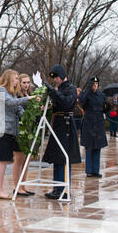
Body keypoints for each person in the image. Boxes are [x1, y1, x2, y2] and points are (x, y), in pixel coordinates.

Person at [0, 69, 38, 199]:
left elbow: (19, 110)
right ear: (9, 78)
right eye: (16, 78)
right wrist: (28, 99)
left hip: (11, 131)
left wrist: (32, 113)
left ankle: (1, 189)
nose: (17, 80)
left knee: (5, 160)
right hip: (3, 130)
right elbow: (11, 103)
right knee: (2, 161)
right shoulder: (1, 90)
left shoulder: (11, 94)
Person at [43, 64, 81, 200]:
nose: (56, 80)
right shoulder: (60, 88)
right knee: (57, 158)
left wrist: (53, 92)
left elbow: (66, 103)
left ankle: (64, 189)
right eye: (55, 78)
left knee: (65, 158)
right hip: (58, 124)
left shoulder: (70, 89)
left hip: (66, 125)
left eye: (57, 77)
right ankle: (57, 188)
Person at [78, 77, 108, 178]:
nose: (95, 85)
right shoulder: (87, 93)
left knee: (97, 147)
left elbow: (105, 108)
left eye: (97, 84)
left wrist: (109, 105)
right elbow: (81, 101)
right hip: (89, 121)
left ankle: (96, 170)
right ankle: (89, 170)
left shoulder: (101, 95)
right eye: (94, 84)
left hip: (99, 121)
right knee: (89, 147)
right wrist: (87, 90)